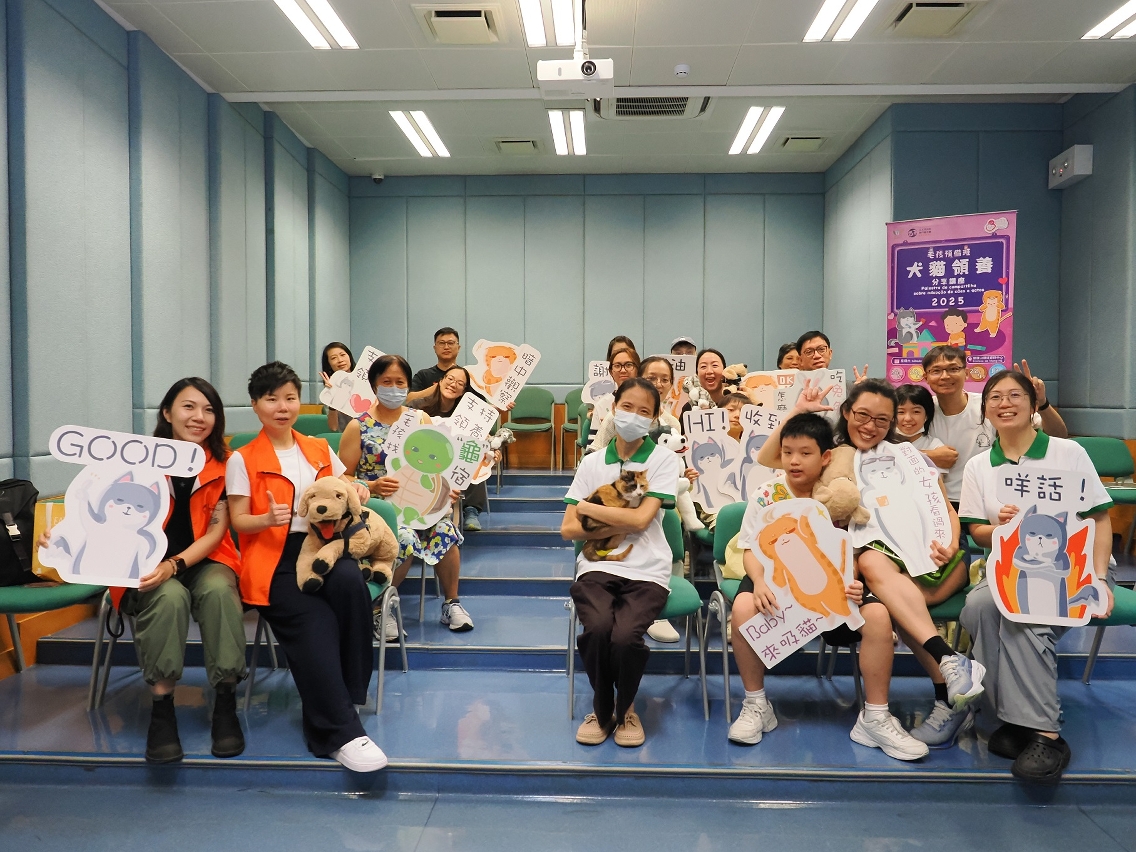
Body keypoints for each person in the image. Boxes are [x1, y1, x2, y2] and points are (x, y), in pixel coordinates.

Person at [758, 378, 981, 748]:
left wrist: (950, 542)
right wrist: (797, 411)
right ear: (846, 412)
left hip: (935, 563)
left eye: (881, 420)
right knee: (879, 572)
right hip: (880, 566)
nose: (870, 426)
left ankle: (949, 683)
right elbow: (770, 458)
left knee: (891, 596)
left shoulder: (909, 456)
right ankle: (948, 682)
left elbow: (941, 507)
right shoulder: (831, 456)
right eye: (862, 415)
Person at [64, 378, 247, 764]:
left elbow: (216, 533)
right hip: (142, 565)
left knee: (218, 591)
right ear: (167, 412)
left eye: (209, 410)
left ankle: (226, 704)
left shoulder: (227, 463)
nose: (199, 417)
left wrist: (174, 564)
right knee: (168, 597)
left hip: (204, 561)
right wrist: (62, 533)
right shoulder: (135, 461)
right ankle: (162, 710)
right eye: (188, 407)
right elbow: (93, 509)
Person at [728, 413, 928, 760]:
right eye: (787, 452)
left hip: (835, 584)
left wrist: (855, 581)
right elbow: (750, 549)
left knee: (878, 616)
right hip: (774, 579)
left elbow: (858, 548)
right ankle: (756, 704)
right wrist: (758, 582)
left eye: (805, 453)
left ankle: (875, 717)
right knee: (743, 608)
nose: (794, 461)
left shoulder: (844, 492)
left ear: (825, 457)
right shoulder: (768, 493)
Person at [226, 362, 385, 773]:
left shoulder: (317, 448)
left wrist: (360, 488)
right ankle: (339, 732)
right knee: (316, 620)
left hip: (324, 546)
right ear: (255, 405)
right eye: (271, 399)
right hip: (274, 559)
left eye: (290, 398)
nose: (282, 407)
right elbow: (238, 520)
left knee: (350, 584)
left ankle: (346, 695)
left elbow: (345, 488)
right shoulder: (242, 459)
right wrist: (265, 519)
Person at [959, 370, 1114, 785]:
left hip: (1078, 566)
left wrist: (1099, 579)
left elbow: (1100, 519)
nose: (1004, 403)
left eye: (1015, 395)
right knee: (979, 606)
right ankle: (1014, 719)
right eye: (995, 397)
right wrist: (1001, 527)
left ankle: (1047, 734)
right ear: (985, 409)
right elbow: (977, 532)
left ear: (1033, 405)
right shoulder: (979, 465)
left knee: (1025, 617)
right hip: (1010, 566)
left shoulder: (1068, 452)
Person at [562, 378, 682, 748]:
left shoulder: (664, 460)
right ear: (614, 407)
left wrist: (589, 508)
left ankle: (625, 706)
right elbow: (568, 529)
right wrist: (621, 519)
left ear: (655, 418)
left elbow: (642, 521)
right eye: (627, 407)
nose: (633, 416)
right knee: (598, 629)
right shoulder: (592, 462)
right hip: (597, 566)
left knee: (626, 637)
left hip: (648, 569)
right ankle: (603, 710)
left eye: (644, 411)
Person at [339, 355, 471, 633]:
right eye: (386, 382)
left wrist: (447, 490)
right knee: (405, 538)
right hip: (377, 509)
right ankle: (380, 607)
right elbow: (343, 476)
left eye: (400, 382)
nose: (394, 388)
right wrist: (371, 485)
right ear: (374, 385)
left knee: (445, 531)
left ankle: (452, 603)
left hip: (418, 504)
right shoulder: (358, 426)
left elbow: (438, 465)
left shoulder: (420, 419)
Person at [923, 345, 1068, 508]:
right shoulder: (919, 410)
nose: (945, 376)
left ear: (966, 372)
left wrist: (1041, 402)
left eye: (953, 369)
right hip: (936, 501)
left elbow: (1058, 435)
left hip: (989, 499)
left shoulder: (992, 405)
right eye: (936, 371)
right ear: (925, 377)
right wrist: (926, 456)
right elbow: (898, 452)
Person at [411, 365, 496, 533]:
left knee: (474, 454)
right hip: (425, 459)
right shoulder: (419, 407)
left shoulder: (469, 414)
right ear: (440, 381)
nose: (453, 384)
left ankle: (471, 509)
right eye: (450, 379)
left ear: (464, 391)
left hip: (455, 461)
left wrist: (491, 449)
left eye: (460, 383)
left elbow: (484, 438)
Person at [587, 348, 641, 453]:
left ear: (638, 369)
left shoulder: (648, 402)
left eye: (629, 365)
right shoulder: (602, 405)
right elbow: (593, 448)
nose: (623, 370)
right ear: (611, 372)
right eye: (617, 366)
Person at [409, 327, 461, 401]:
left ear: (458, 348)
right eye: (442, 343)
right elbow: (409, 399)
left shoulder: (466, 376)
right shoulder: (423, 375)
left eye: (450, 343)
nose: (446, 347)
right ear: (435, 348)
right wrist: (440, 385)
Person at [895, 384, 945, 454]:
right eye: (901, 412)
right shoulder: (883, 443)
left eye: (916, 412)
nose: (908, 418)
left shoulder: (935, 446)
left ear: (927, 415)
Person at [319, 342, 354, 432]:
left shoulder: (368, 380)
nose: (340, 360)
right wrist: (333, 400)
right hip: (347, 435)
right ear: (329, 364)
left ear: (349, 356)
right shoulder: (329, 390)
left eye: (342, 355)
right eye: (333, 358)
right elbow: (333, 427)